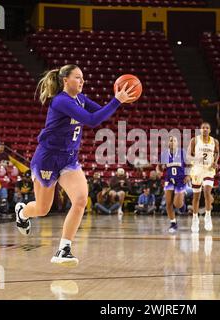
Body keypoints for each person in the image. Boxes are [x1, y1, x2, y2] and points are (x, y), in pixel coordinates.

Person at [14, 64, 135, 266]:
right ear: (65, 80)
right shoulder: (61, 101)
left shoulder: (80, 98)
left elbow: (101, 112)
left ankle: (64, 248)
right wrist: (116, 101)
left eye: (83, 78)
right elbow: (92, 120)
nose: (82, 81)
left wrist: (121, 100)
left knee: (80, 200)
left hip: (69, 159)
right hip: (48, 158)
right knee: (43, 209)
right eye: (77, 77)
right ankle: (23, 212)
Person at [187, 122, 220, 233]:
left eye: (207, 128)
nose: (205, 129)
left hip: (209, 170)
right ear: (200, 130)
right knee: (196, 197)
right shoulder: (194, 140)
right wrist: (195, 160)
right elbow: (188, 155)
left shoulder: (214, 141)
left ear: (210, 130)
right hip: (197, 170)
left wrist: (215, 162)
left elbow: (216, 153)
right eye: (203, 128)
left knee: (207, 192)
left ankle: (208, 216)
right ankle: (195, 219)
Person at [156, 135, 188, 233]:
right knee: (168, 203)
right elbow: (159, 167)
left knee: (177, 204)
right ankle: (173, 223)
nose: (172, 142)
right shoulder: (164, 154)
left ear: (177, 143)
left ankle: (182, 205)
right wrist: (159, 170)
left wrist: (189, 175)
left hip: (181, 180)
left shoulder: (183, 152)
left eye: (174, 140)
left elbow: (190, 164)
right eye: (170, 141)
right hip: (169, 179)